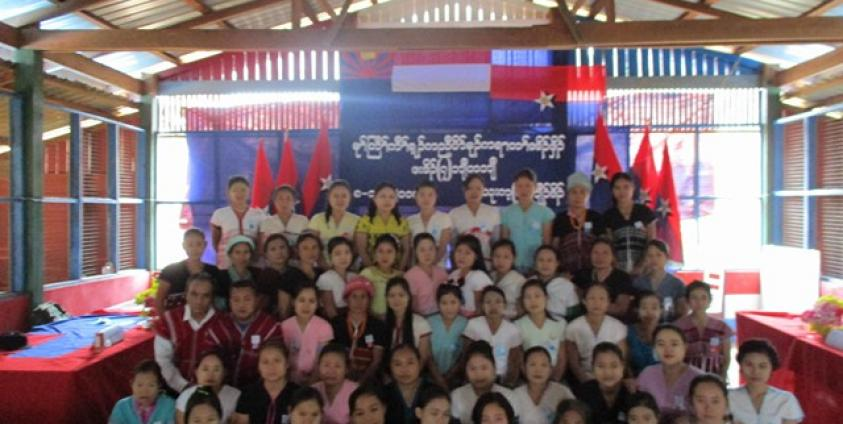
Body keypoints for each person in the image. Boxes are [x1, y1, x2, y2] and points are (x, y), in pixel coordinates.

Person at [205, 280, 283, 387]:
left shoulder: (271, 326)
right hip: (222, 387)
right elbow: (208, 359)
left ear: (257, 300)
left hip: (259, 388)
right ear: (229, 302)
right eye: (236, 300)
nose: (241, 305)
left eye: (247, 299)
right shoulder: (218, 325)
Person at [155, 273, 220, 392]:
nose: (199, 301)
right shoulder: (169, 320)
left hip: (213, 391)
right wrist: (183, 386)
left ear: (212, 298)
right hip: (174, 390)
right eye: (194, 294)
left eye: (205, 296)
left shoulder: (223, 322)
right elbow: (163, 361)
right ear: (186, 294)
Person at [728, 339, 804, 424]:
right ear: (740, 367)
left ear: (771, 369)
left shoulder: (785, 399)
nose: (755, 371)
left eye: (762, 366)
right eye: (749, 365)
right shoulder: (728, 397)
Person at [565, 283, 628, 385]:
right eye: (592, 298)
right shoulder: (573, 327)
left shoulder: (618, 327)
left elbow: (622, 359)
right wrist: (587, 383)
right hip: (584, 379)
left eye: (602, 298)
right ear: (584, 301)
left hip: (612, 378)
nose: (597, 303)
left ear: (608, 302)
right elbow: (574, 363)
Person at [330, 277, 388, 384]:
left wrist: (360, 383)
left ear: (369, 300)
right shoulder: (336, 324)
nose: (359, 302)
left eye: (363, 297)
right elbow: (331, 356)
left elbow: (376, 361)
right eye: (354, 296)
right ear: (346, 300)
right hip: (339, 378)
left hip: (368, 380)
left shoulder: (378, 326)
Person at [636, 324, 703, 416]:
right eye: (661, 344)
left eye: (674, 344)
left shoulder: (698, 378)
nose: (667, 349)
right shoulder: (647, 374)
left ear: (685, 347)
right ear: (654, 348)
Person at [462, 286, 523, 387]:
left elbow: (515, 361)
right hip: (477, 377)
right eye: (488, 302)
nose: (493, 306)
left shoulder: (513, 330)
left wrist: (508, 384)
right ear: (482, 306)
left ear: (505, 305)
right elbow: (465, 356)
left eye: (498, 302)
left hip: (501, 379)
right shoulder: (473, 325)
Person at [450, 341, 519, 424]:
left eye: (484, 367)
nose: (478, 374)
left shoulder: (510, 397)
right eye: (472, 368)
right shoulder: (457, 396)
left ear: (494, 368)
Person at [232, 341, 301, 424]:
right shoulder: (248, 394)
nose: (271, 367)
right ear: (258, 367)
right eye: (265, 362)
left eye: (277, 361)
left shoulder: (299, 394)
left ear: (287, 364)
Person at [156, 228, 221, 315]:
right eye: (190, 245)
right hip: (176, 319)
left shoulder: (213, 271)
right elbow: (159, 300)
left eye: (199, 244)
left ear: (205, 245)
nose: (195, 249)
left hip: (204, 319)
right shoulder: (170, 271)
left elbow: (215, 300)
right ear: (184, 246)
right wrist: (164, 320)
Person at [674, 281, 733, 378]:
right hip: (686, 377)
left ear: (709, 301)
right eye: (694, 298)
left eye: (703, 297)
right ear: (687, 301)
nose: (699, 302)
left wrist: (723, 376)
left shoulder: (722, 327)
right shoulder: (678, 327)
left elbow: (726, 356)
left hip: (715, 377)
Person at [500, 168, 554, 272]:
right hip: (513, 265)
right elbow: (504, 242)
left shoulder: (546, 213)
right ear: (515, 188)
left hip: (536, 266)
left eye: (528, 185)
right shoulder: (507, 212)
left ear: (535, 187)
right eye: (519, 186)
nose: (524, 190)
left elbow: (547, 243)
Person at [551, 172, 605, 276]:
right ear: (567, 195)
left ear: (588, 196)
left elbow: (603, 245)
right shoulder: (560, 219)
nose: (578, 196)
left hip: (593, 273)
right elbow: (555, 248)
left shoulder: (596, 217)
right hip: (567, 273)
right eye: (574, 192)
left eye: (582, 192)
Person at [602, 172, 656, 274]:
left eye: (626, 187)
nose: (622, 191)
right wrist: (617, 266)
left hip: (645, 269)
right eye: (617, 188)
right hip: (619, 269)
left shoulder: (645, 212)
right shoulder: (608, 215)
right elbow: (609, 245)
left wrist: (641, 265)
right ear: (612, 191)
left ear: (633, 188)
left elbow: (652, 242)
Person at [281, 284, 335, 385]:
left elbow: (322, 359)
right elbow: (281, 356)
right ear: (293, 302)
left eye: (311, 301)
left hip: (315, 380)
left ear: (318, 304)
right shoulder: (285, 326)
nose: (306, 306)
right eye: (302, 300)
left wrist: (311, 383)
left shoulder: (324, 327)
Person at [572, 238, 636, 321]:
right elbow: (575, 297)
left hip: (613, 322)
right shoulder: (582, 275)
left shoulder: (623, 277)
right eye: (595, 253)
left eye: (605, 253)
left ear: (613, 256)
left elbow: (621, 309)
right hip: (585, 321)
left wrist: (593, 305)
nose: (600, 257)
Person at [515, 280, 566, 381]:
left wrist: (554, 380)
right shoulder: (517, 326)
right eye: (528, 297)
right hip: (528, 378)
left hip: (554, 378)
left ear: (546, 298)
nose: (533, 301)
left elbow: (562, 358)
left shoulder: (559, 323)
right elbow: (519, 359)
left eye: (537, 296)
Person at [210, 176, 266, 269]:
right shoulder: (219, 214)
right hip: (226, 264)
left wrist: (256, 256)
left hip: (252, 262)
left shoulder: (259, 215)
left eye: (243, 190)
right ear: (228, 193)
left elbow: (261, 241)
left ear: (249, 192)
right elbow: (216, 241)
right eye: (235, 190)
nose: (239, 193)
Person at [355, 182, 412, 269]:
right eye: (383, 196)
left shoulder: (402, 222)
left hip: (396, 270)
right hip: (371, 269)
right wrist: (373, 272)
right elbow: (361, 250)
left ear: (396, 200)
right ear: (374, 199)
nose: (387, 200)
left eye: (391, 197)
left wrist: (399, 271)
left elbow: (406, 250)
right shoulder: (365, 221)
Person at [449, 174, 500, 268]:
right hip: (463, 266)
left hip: (487, 265)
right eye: (470, 188)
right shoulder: (454, 214)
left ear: (483, 190)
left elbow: (496, 243)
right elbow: (454, 244)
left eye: (478, 188)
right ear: (464, 190)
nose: (474, 192)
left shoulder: (493, 212)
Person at [513, 346, 575, 424]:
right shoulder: (516, 394)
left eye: (544, 365)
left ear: (550, 369)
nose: (538, 370)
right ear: (524, 368)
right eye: (532, 365)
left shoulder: (562, 392)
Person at [175, 351, 240, 424]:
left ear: (224, 372)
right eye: (205, 369)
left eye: (216, 370)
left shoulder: (236, 396)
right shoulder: (186, 396)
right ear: (196, 372)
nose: (210, 375)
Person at [576, 342, 631, 424]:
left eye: (614, 366)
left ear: (623, 366)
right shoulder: (583, 393)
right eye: (601, 366)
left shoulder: (631, 392)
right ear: (592, 367)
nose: (608, 373)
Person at [256, 233, 309, 319]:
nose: (279, 252)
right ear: (266, 255)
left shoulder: (295, 273)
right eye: (273, 249)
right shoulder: (264, 276)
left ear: (288, 250)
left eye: (282, 247)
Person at [633, 240, 688, 321]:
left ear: (666, 257)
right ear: (645, 258)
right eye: (650, 256)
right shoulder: (638, 283)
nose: (654, 259)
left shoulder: (677, 284)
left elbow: (682, 312)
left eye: (658, 255)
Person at [109, 359, 176, 424]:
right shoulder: (121, 407)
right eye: (139, 385)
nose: (144, 391)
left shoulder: (168, 405)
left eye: (151, 385)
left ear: (159, 386)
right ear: (132, 384)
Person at [385, 277, 433, 366]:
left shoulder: (421, 323)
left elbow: (423, 358)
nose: (396, 299)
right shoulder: (383, 322)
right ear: (386, 299)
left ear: (409, 297)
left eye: (401, 295)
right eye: (392, 296)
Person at [383, 344, 438, 422]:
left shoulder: (434, 392)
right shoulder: (384, 393)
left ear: (419, 364)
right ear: (390, 367)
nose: (404, 369)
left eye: (410, 363)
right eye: (398, 364)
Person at [428, 285, 468, 388]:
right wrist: (438, 378)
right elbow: (427, 355)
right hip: (431, 375)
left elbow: (464, 355)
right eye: (444, 303)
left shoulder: (465, 324)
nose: (449, 308)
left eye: (453, 302)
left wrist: (450, 374)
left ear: (460, 303)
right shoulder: (429, 322)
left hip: (457, 377)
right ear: (438, 304)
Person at [408, 181, 453, 267]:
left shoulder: (444, 218)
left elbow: (443, 248)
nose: (426, 199)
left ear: (436, 197)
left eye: (430, 195)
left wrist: (430, 266)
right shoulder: (410, 220)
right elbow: (411, 250)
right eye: (422, 195)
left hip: (439, 267)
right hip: (417, 268)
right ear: (416, 197)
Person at [312, 343, 359, 424]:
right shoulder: (313, 391)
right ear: (318, 366)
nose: (331, 371)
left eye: (337, 366)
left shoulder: (356, 391)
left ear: (346, 369)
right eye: (326, 365)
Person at [447, 234, 493, 316]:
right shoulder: (453, 275)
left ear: (476, 256)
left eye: (467, 253)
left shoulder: (478, 276)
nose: (461, 256)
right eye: (459, 251)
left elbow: (481, 310)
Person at [359, 234, 404, 318]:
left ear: (396, 254)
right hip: (371, 319)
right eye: (380, 251)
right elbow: (360, 301)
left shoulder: (400, 276)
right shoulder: (367, 274)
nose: (385, 256)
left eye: (389, 251)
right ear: (374, 254)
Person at [405, 233, 449, 316]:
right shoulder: (410, 276)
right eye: (422, 250)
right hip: (421, 318)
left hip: (442, 315)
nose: (427, 254)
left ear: (436, 250)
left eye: (431, 249)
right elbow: (412, 305)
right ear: (415, 252)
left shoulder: (442, 272)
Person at [532, 245, 580, 321]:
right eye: (541, 260)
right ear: (535, 263)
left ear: (557, 263)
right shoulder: (528, 283)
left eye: (549, 260)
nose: (545, 264)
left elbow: (574, 316)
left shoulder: (567, 286)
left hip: (559, 325)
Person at [307, 179, 360, 247]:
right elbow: (310, 246)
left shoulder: (357, 220)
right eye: (336, 196)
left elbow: (358, 248)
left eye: (344, 196)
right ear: (329, 198)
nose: (340, 200)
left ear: (350, 198)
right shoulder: (317, 219)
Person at [317, 237, 358, 320]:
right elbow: (329, 309)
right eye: (337, 253)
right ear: (330, 257)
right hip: (334, 319)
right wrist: (340, 324)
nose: (343, 257)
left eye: (347, 252)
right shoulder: (325, 278)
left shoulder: (354, 277)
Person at [259, 185, 310, 251]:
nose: (284, 202)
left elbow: (308, 243)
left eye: (288, 199)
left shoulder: (303, 220)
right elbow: (262, 247)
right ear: (274, 202)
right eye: (280, 198)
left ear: (294, 202)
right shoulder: (266, 221)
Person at [218, 235, 261, 310]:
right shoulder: (221, 276)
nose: (242, 256)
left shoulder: (257, 274)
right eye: (237, 252)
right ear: (230, 255)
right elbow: (219, 303)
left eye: (246, 252)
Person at [627, 290, 662, 376]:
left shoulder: (669, 331)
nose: (649, 312)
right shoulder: (629, 332)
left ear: (661, 311)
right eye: (644, 308)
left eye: (654, 308)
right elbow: (624, 362)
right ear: (637, 311)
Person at [489, 240, 525, 320]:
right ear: (491, 257)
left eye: (506, 257)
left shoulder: (519, 281)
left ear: (513, 258)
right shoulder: (489, 277)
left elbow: (521, 310)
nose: (501, 261)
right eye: (497, 256)